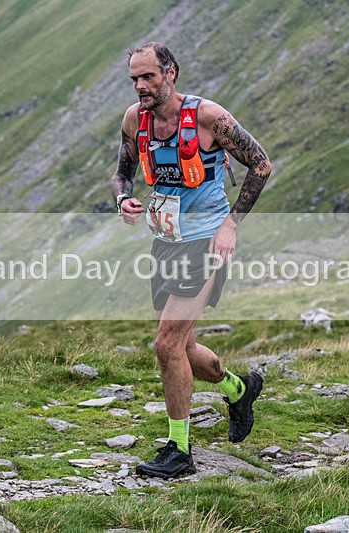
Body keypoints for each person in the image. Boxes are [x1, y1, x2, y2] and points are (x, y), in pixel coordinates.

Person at [109, 42, 272, 479]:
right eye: (134, 79)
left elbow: (260, 164)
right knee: (181, 345)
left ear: (171, 73)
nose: (141, 86)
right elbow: (121, 172)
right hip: (165, 242)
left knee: (165, 344)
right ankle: (240, 389)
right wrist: (124, 198)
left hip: (206, 243)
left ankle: (178, 450)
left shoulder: (207, 117)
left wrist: (230, 226)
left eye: (148, 77)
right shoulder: (134, 120)